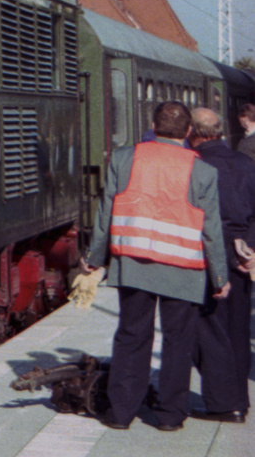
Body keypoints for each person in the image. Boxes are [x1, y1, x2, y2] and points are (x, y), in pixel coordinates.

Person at [82, 100, 229, 430]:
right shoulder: (203, 171)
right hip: (184, 270)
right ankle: (170, 416)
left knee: (132, 336)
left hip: (134, 262)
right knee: (179, 342)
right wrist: (219, 276)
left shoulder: (125, 158)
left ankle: (121, 413)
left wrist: (93, 258)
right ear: (189, 132)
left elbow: (105, 213)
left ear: (153, 125)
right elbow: (212, 230)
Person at [187, 107, 254, 423]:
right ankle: (241, 398)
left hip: (208, 250)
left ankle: (224, 403)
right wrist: (251, 250)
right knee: (238, 328)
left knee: (209, 327)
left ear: (193, 133)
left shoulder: (196, 166)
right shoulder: (246, 163)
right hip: (242, 254)